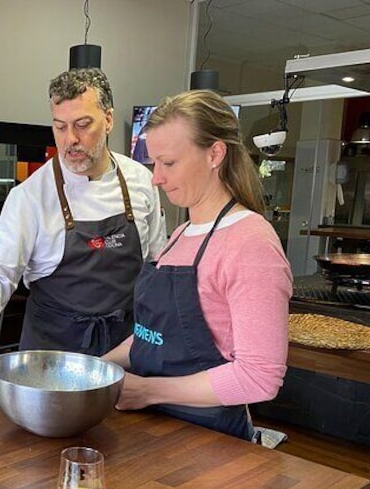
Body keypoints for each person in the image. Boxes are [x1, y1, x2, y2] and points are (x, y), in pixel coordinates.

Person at [102, 90, 292, 440]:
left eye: (168, 163)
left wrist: (148, 391)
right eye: (154, 163)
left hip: (210, 443)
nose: (156, 178)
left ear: (215, 154)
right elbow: (156, 337)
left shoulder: (251, 244)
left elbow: (259, 377)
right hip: (155, 430)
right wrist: (100, 368)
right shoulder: (182, 234)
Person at [0, 68, 166, 360]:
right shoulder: (29, 196)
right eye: (60, 127)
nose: (70, 139)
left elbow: (156, 264)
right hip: (50, 355)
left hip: (125, 349)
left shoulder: (141, 181)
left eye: (83, 125)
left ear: (109, 119)